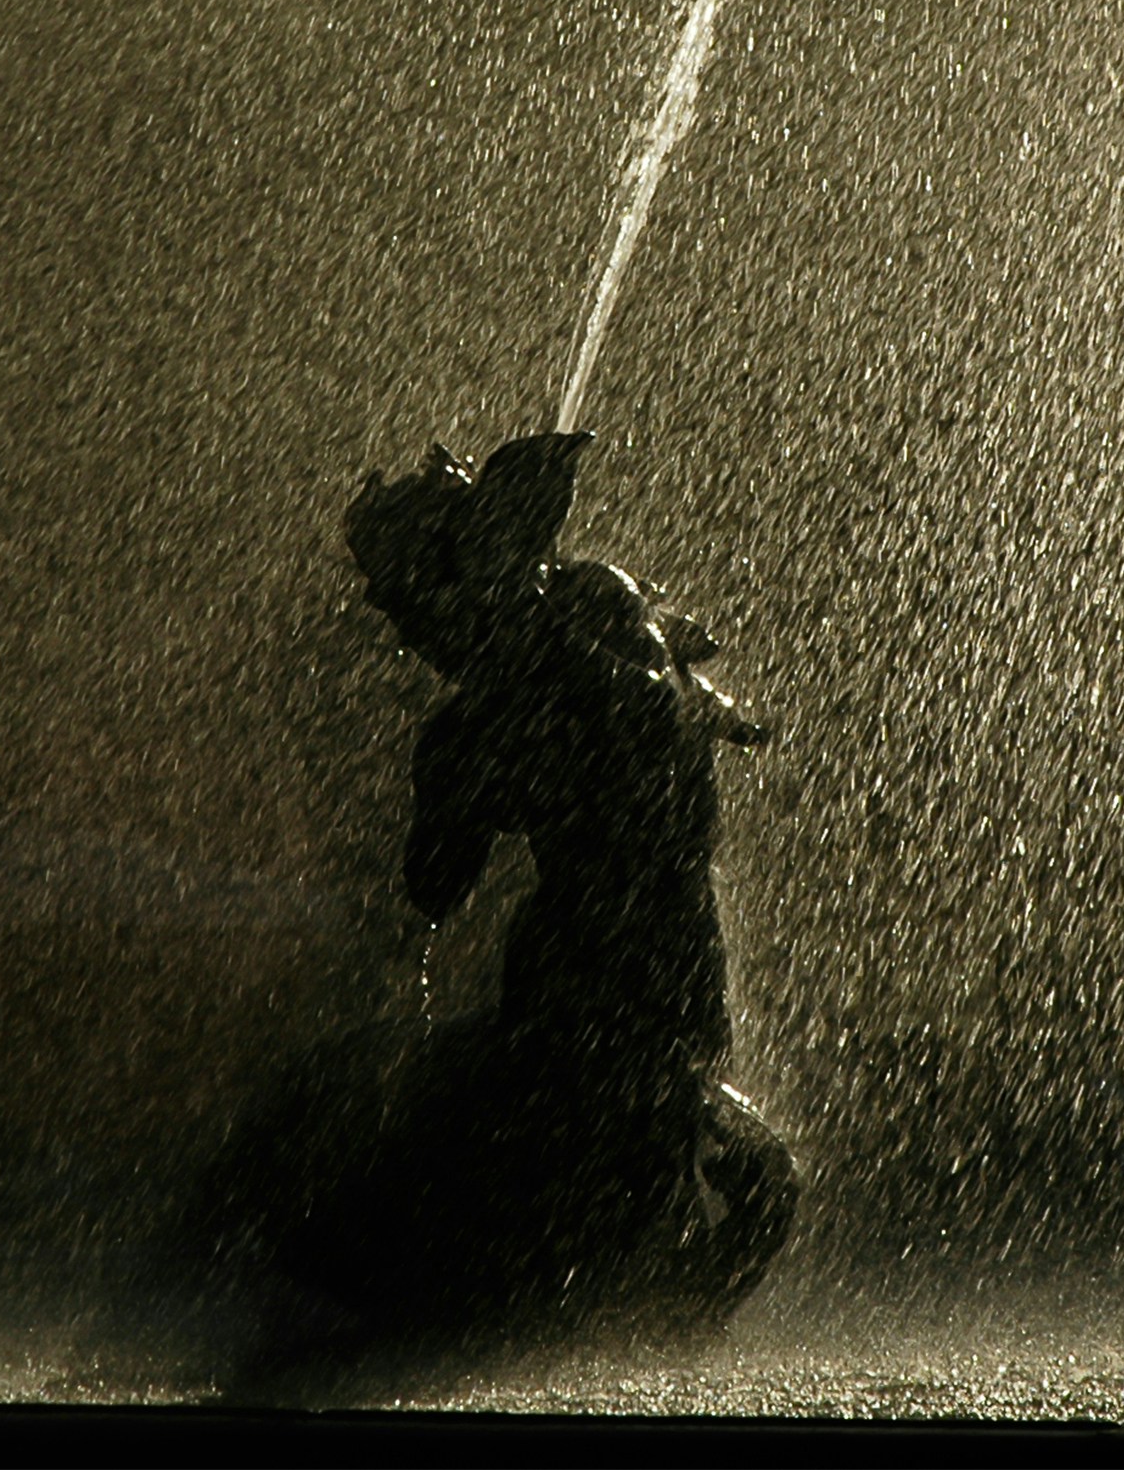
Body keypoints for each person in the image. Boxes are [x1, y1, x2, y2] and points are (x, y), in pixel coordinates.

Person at [305, 430, 795, 1338]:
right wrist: (453, 777)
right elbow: (434, 885)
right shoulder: (471, 727)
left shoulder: (588, 614)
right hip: (591, 957)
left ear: (468, 573)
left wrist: (498, 717)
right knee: (673, 1152)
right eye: (398, 612)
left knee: (711, 1164)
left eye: (411, 602)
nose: (407, 635)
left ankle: (573, 1292)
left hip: (633, 954)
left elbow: (651, 710)